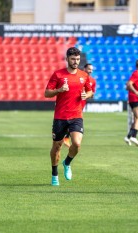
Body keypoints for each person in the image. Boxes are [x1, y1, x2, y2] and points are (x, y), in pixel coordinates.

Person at [44, 47, 93, 186]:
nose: (75, 61)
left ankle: (67, 162)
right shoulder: (58, 74)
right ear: (67, 59)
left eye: (77, 59)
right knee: (56, 147)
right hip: (60, 116)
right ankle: (54, 175)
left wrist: (86, 95)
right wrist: (59, 90)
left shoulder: (84, 75)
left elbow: (90, 92)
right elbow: (47, 93)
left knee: (77, 144)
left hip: (76, 115)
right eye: (73, 59)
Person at [63, 63, 96, 148]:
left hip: (82, 103)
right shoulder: (78, 76)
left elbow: (92, 93)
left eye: (92, 70)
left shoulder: (93, 81)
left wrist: (87, 95)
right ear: (84, 69)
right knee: (72, 120)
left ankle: (66, 137)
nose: (91, 71)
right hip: (73, 103)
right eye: (89, 69)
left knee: (74, 120)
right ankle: (65, 137)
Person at [124, 60, 138, 147]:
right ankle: (134, 136)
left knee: (137, 119)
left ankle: (128, 137)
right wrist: (137, 92)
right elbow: (129, 84)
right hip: (135, 99)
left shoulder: (137, 74)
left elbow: (127, 85)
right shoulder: (136, 73)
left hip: (136, 98)